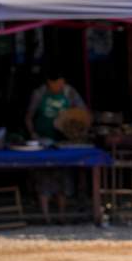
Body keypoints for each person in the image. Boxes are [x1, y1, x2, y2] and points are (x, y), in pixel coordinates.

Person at [24, 65, 86, 223]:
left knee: (63, 180)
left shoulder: (69, 92)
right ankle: (45, 217)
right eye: (54, 84)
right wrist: (33, 134)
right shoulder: (39, 93)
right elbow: (29, 116)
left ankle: (62, 215)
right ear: (48, 83)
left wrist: (74, 127)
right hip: (43, 141)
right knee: (43, 179)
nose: (58, 87)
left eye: (60, 83)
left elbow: (82, 114)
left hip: (64, 142)